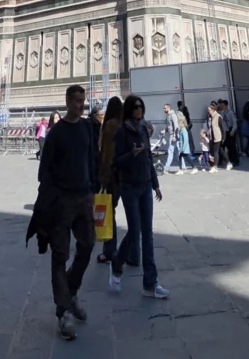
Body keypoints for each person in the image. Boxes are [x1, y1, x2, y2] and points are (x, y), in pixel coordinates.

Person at [35, 84, 97, 341]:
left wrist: (93, 189)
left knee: (87, 246)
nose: (80, 105)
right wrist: (51, 200)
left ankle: (69, 292)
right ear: (67, 101)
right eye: (76, 101)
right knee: (60, 255)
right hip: (62, 202)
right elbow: (44, 172)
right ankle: (63, 312)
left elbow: (92, 158)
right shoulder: (57, 133)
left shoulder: (86, 128)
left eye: (83, 100)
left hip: (84, 198)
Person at [109, 95, 169, 300]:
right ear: (128, 109)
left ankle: (150, 283)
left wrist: (156, 184)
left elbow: (149, 158)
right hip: (129, 187)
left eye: (140, 106)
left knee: (148, 233)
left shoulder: (143, 128)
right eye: (135, 107)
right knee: (135, 231)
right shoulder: (121, 132)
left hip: (144, 185)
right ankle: (117, 264)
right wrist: (131, 154)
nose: (138, 109)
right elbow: (116, 162)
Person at [96, 96, 130, 265]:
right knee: (134, 217)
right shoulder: (127, 124)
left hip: (113, 176)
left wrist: (103, 177)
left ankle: (109, 252)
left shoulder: (110, 126)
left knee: (109, 214)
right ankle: (134, 255)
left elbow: (107, 155)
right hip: (128, 175)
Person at [206, 103, 229, 172]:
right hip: (212, 136)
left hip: (218, 136)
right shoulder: (210, 117)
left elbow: (222, 128)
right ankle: (229, 162)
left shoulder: (218, 116)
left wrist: (223, 137)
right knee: (221, 151)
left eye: (209, 110)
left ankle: (215, 166)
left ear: (213, 110)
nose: (208, 111)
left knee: (216, 151)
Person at [218, 100, 239, 167]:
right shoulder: (222, 113)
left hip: (230, 131)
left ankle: (235, 161)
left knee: (232, 147)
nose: (222, 106)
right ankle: (224, 160)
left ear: (226, 105)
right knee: (222, 146)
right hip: (224, 132)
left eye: (223, 105)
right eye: (222, 105)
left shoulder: (230, 113)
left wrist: (233, 131)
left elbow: (235, 123)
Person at [162, 104, 181, 173]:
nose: (164, 109)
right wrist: (165, 130)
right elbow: (169, 126)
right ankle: (183, 166)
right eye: (163, 108)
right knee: (177, 152)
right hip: (172, 135)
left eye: (165, 108)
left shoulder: (173, 115)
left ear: (168, 108)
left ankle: (166, 168)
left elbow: (176, 126)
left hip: (173, 135)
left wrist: (174, 136)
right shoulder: (168, 116)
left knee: (170, 151)